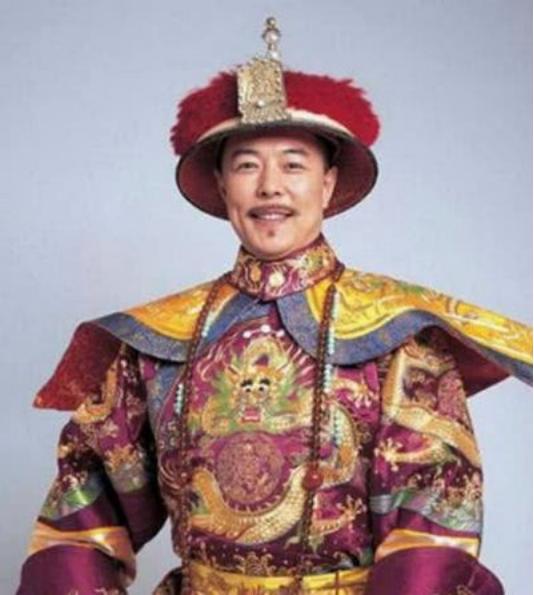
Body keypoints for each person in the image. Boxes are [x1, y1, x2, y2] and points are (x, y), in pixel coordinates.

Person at [17, 17, 532, 595]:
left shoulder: (397, 339)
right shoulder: (160, 341)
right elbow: (84, 517)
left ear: (327, 184)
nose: (270, 187)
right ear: (222, 186)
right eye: (246, 165)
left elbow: (429, 538)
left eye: (293, 164)